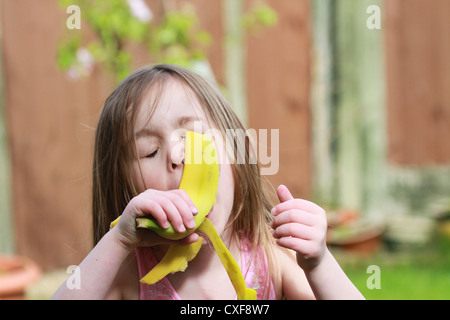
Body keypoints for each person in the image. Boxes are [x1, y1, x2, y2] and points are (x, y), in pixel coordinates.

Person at [52, 64, 364, 300]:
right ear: (125, 188)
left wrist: (320, 263)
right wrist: (118, 241)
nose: (177, 156)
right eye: (150, 151)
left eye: (194, 136)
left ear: (238, 153)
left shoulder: (270, 258)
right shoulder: (130, 273)